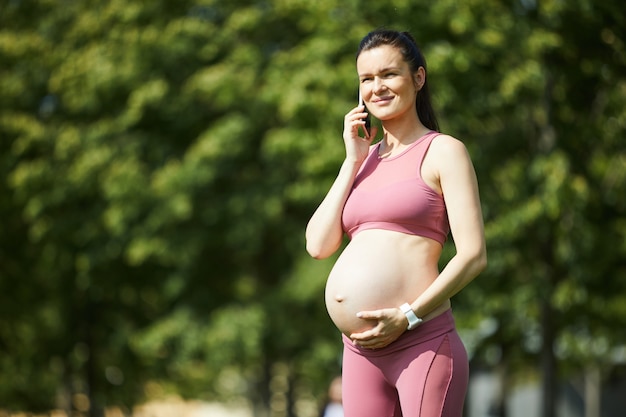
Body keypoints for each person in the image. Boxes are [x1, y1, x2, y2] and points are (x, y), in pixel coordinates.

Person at [305, 29, 487, 417]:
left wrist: (407, 317)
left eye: (389, 74)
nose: (377, 87)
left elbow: (473, 256)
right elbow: (317, 246)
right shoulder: (362, 161)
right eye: (366, 79)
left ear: (418, 78)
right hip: (359, 350)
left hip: (421, 341)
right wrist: (351, 159)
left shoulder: (443, 151)